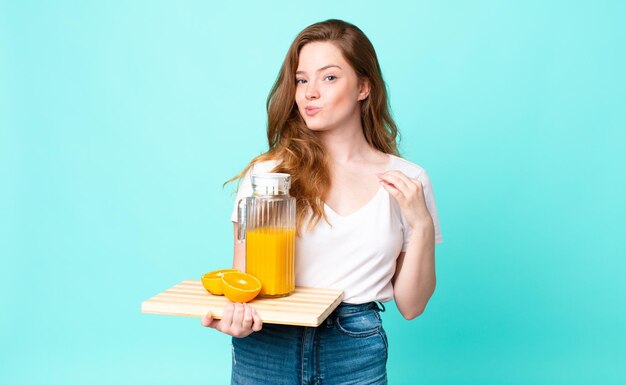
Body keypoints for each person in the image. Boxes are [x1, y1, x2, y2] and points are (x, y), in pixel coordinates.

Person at [201, 19, 442, 384]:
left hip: (353, 347)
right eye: (301, 79)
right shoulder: (267, 177)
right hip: (268, 343)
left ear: (363, 87)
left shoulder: (407, 181)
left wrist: (421, 224)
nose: (310, 92)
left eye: (329, 77)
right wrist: (235, 318)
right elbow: (244, 284)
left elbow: (412, 306)